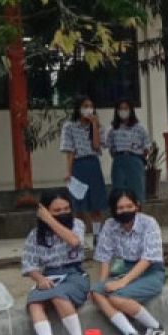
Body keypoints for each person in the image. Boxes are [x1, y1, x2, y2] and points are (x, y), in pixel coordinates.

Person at [90, 189, 168, 335]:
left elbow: (148, 258)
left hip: (150, 271)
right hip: (123, 270)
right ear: (113, 210)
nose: (125, 211)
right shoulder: (110, 225)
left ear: (137, 206)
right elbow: (105, 256)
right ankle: (131, 333)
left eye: (129, 206)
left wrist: (122, 283)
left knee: (117, 297)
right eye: (120, 208)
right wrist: (104, 283)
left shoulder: (149, 223)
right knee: (97, 292)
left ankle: (155, 327)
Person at [21, 191, 90, 335]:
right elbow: (29, 265)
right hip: (49, 275)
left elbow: (74, 241)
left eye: (66, 209)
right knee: (34, 301)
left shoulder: (77, 225)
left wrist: (50, 220)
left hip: (74, 274)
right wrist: (39, 279)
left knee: (58, 295)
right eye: (57, 210)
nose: (63, 213)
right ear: (46, 211)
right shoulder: (35, 235)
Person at [60, 96, 108, 242]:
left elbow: (96, 146)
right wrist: (68, 172)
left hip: (93, 164)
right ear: (79, 108)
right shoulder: (69, 126)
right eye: (85, 105)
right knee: (78, 205)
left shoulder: (98, 126)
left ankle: (97, 236)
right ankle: (79, 236)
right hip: (78, 166)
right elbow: (70, 151)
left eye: (91, 106)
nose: (88, 109)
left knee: (96, 205)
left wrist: (94, 125)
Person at [107, 100, 149, 203]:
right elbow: (111, 148)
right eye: (120, 109)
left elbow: (146, 147)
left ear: (131, 110)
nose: (123, 111)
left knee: (136, 193)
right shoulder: (113, 129)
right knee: (119, 192)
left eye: (126, 108)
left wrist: (137, 158)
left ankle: (138, 217)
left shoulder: (140, 128)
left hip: (135, 161)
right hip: (119, 162)